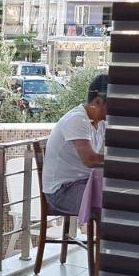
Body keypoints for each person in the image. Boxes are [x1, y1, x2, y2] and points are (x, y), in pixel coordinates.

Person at [42, 73, 108, 217]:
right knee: (110, 205)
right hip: (61, 191)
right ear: (98, 102)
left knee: (118, 196)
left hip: (83, 182)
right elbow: (90, 159)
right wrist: (121, 162)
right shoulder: (77, 120)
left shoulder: (101, 122)